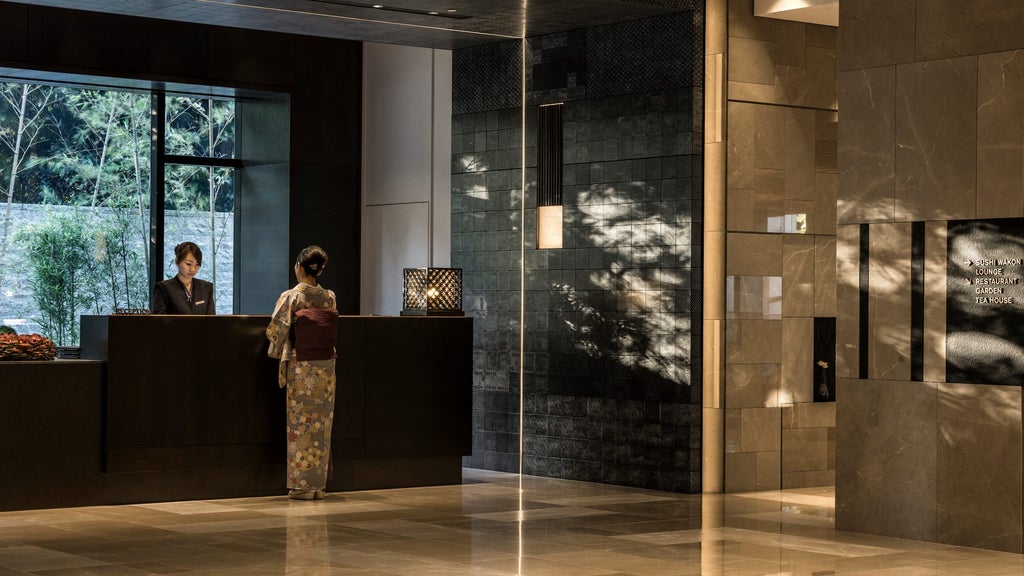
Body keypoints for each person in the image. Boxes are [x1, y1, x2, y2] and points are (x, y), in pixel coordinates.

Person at [266, 245, 339, 500]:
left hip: (303, 367)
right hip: (326, 369)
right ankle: (318, 485)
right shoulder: (329, 297)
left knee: (301, 425)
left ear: (299, 266)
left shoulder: (292, 297)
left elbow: (275, 331)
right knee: (320, 426)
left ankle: (301, 486)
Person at [151, 242, 216, 314]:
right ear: (177, 261)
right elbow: (158, 322)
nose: (193, 269)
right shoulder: (164, 288)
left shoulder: (206, 288)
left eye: (197, 265)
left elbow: (211, 321)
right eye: (188, 264)